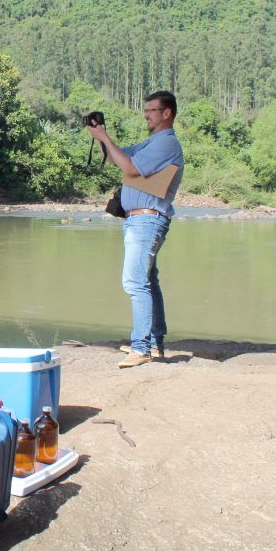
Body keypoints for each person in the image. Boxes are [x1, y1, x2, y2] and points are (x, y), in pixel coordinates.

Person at [86, 91, 184, 369]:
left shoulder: (167, 144)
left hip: (146, 220)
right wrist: (101, 136)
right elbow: (121, 156)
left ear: (167, 113)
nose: (146, 115)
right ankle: (153, 345)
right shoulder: (153, 143)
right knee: (148, 282)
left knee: (134, 282)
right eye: (147, 110)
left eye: (152, 110)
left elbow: (129, 167)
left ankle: (141, 347)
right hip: (142, 220)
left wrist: (105, 138)